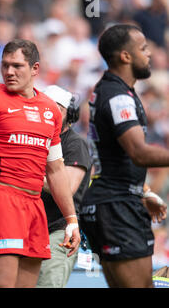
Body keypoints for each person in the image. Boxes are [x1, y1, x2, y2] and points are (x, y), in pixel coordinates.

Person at [0, 39, 80, 288]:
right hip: (0, 199)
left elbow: (55, 170)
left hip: (34, 205)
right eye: (5, 65)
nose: (9, 72)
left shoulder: (50, 110)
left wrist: (71, 219)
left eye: (17, 66)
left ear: (35, 69)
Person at [80, 24, 168, 288]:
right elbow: (139, 153)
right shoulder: (117, 96)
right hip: (116, 208)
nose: (149, 53)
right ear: (125, 56)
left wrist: (143, 192)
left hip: (118, 202)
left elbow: (114, 159)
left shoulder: (115, 90)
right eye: (142, 48)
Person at [36, 85, 92, 288]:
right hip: (33, 230)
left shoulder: (75, 144)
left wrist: (25, 174)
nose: (48, 114)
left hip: (59, 232)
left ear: (69, 113)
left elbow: (66, 189)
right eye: (44, 109)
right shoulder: (38, 141)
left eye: (55, 109)